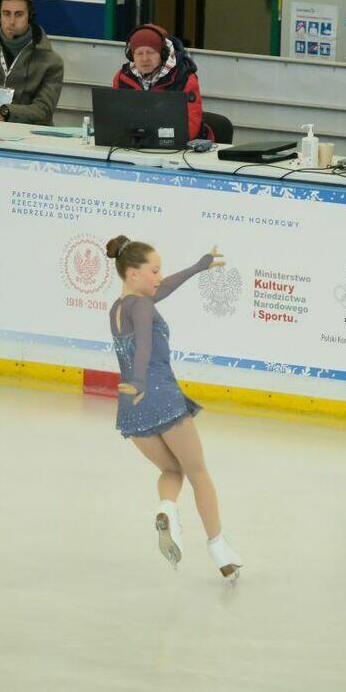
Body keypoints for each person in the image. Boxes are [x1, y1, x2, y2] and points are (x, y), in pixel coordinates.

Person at [106, 235, 243, 581]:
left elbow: (163, 289)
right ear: (133, 273)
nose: (159, 277)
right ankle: (220, 549)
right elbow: (144, 346)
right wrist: (140, 380)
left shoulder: (120, 308)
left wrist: (198, 267)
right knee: (198, 473)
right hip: (158, 395)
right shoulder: (142, 307)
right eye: (154, 271)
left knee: (171, 470)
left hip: (131, 406)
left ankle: (166, 510)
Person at [112, 23, 210, 140]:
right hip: (134, 145)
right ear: (131, 56)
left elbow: (191, 126)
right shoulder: (122, 77)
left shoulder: (185, 78)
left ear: (163, 54)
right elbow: (115, 118)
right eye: (139, 53)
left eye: (150, 52)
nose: (144, 59)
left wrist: (153, 140)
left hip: (178, 145)